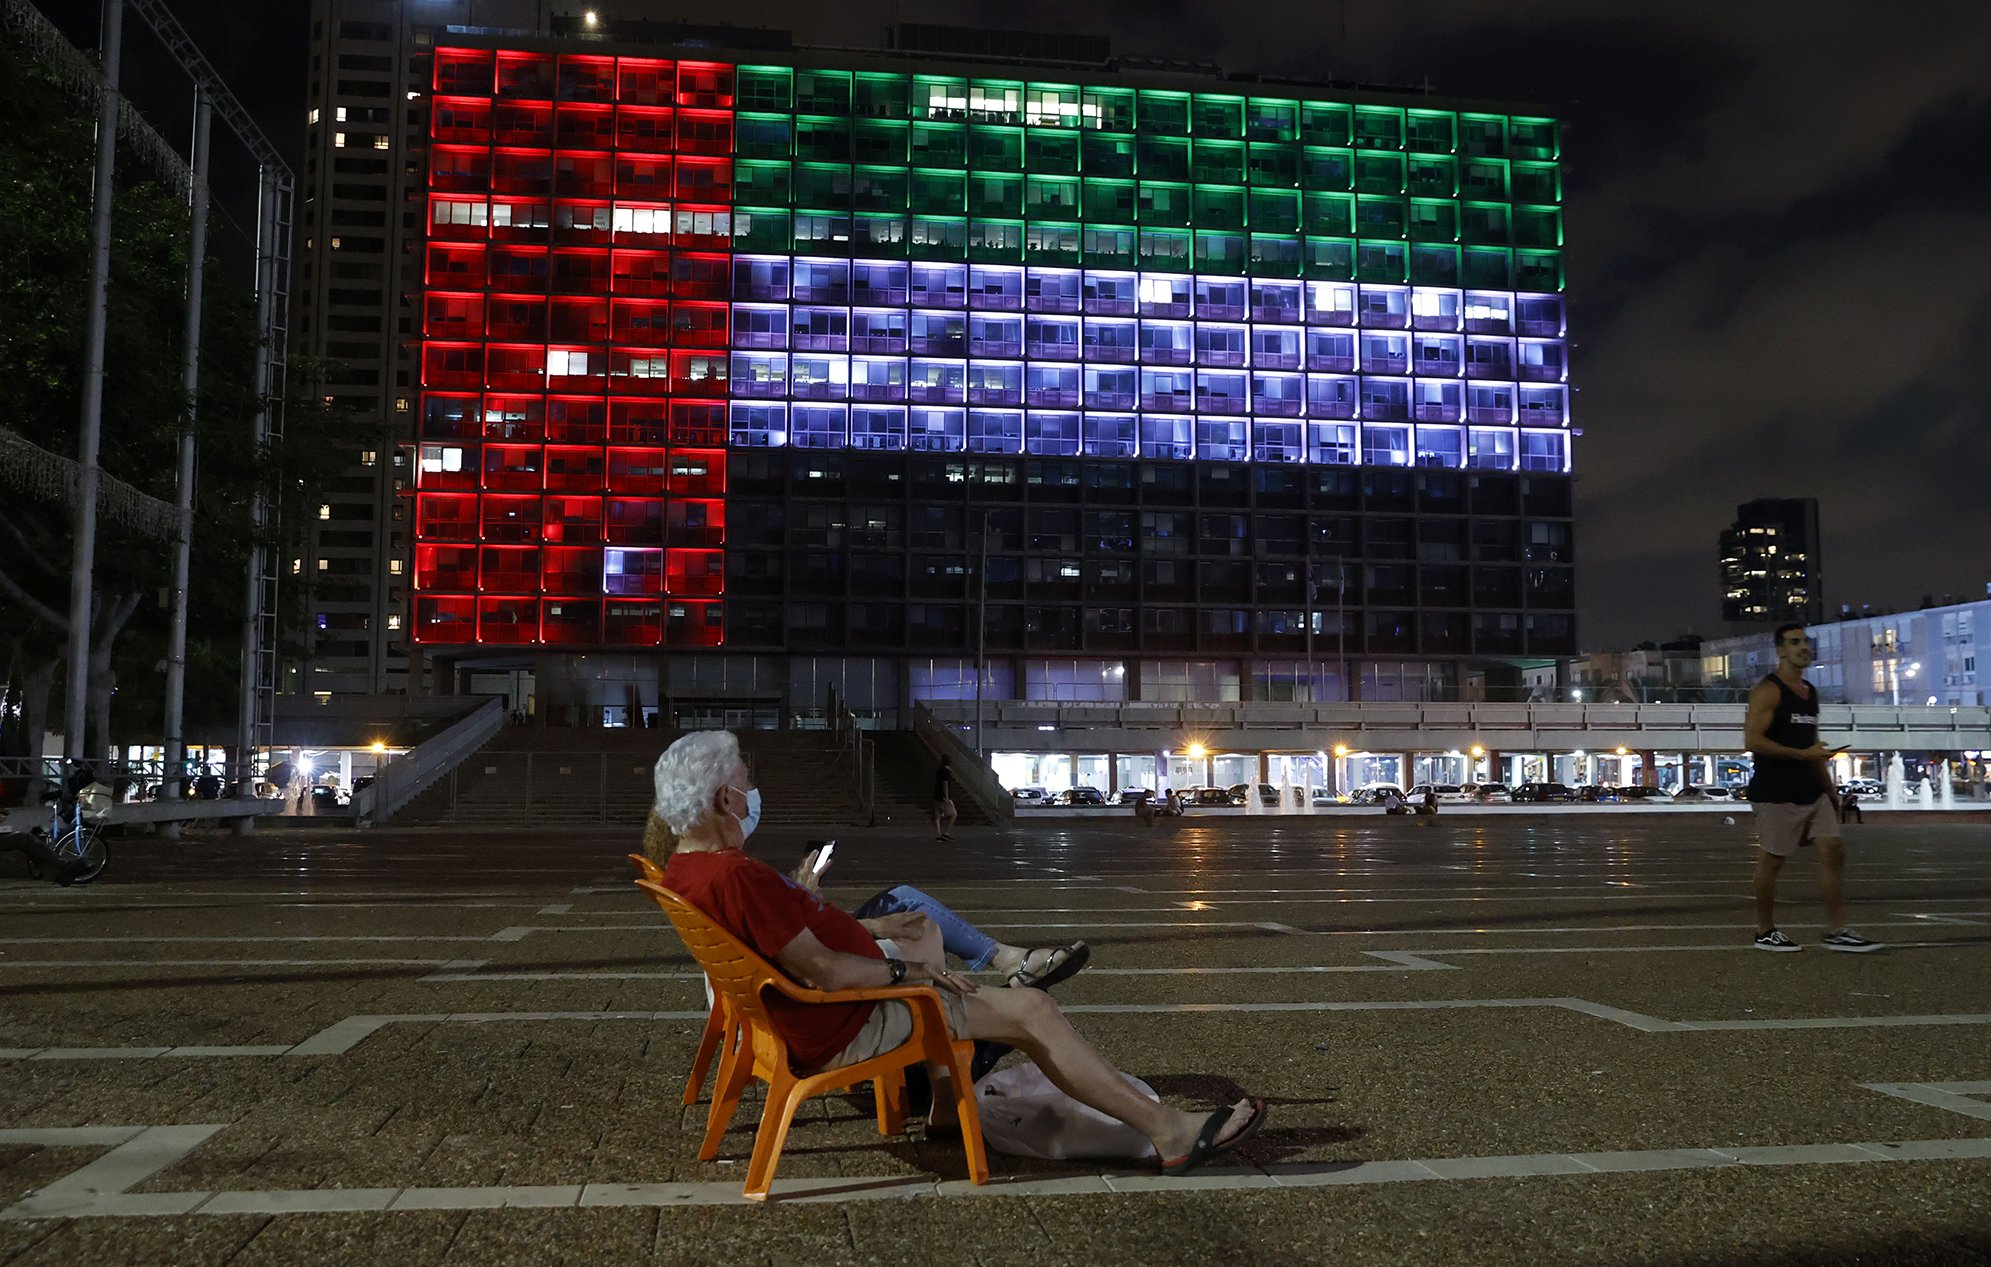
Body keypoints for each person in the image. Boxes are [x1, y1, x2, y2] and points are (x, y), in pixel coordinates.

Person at [652, 730, 1266, 1174]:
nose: (753, 792)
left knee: (928, 938)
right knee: (1032, 1010)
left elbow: (803, 947)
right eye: (746, 783)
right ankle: (1168, 1132)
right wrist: (910, 973)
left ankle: (949, 1102)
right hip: (840, 1021)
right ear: (726, 799)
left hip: (798, 1017)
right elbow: (825, 969)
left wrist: (885, 937)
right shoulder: (735, 876)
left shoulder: (687, 868)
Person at [639, 809, 1088, 990]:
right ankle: (1004, 965)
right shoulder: (728, 874)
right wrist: (810, 896)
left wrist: (801, 891)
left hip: (803, 937)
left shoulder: (696, 871)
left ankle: (1006, 959)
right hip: (816, 955)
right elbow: (802, 948)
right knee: (913, 916)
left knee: (901, 900)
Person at [1744, 624, 1880, 953]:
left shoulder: (1809, 691)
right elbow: (1753, 740)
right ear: (1780, 651)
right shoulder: (1769, 690)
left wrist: (1831, 791)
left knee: (1834, 849)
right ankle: (1766, 931)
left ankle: (1836, 930)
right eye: (1795, 642)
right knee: (1773, 860)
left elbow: (1812, 743)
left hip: (1811, 788)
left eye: (1805, 642)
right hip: (1776, 789)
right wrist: (1802, 755)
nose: (1803, 647)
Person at [932, 756, 958, 843]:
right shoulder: (946, 772)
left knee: (937, 816)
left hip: (936, 795)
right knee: (953, 814)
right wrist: (946, 797)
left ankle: (938, 834)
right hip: (943, 797)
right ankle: (946, 833)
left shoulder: (939, 770)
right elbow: (945, 784)